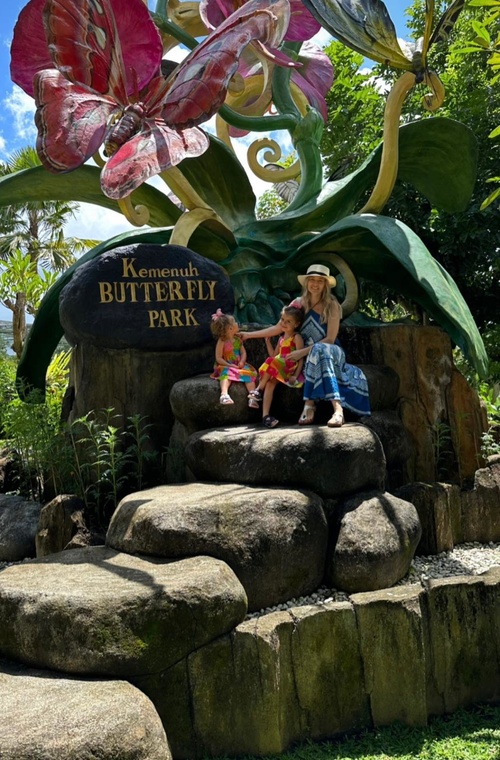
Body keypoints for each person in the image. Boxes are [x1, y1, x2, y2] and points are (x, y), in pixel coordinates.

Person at [241, 264, 370, 426]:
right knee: (307, 356)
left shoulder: (332, 305)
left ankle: (334, 410)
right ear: (307, 282)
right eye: (312, 280)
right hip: (306, 357)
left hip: (330, 352)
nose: (315, 284)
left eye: (320, 281)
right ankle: (301, 407)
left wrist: (301, 353)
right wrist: (248, 335)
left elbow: (330, 339)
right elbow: (278, 327)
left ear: (325, 284)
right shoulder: (297, 304)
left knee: (319, 349)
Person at [248, 305, 305, 428]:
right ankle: (265, 416)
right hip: (279, 367)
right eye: (282, 319)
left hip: (289, 367)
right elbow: (273, 356)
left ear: (296, 324)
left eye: (288, 321)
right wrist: (268, 342)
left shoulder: (296, 337)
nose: (284, 323)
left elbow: (300, 358)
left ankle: (258, 390)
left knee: (271, 363)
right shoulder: (281, 339)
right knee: (270, 383)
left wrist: (295, 375)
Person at [210, 308, 258, 405]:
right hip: (226, 365)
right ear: (230, 329)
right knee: (225, 374)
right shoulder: (222, 341)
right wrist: (229, 365)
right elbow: (218, 358)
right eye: (235, 322)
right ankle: (224, 395)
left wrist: (242, 361)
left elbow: (243, 353)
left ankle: (252, 396)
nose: (237, 323)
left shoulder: (238, 339)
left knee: (249, 374)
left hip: (238, 365)